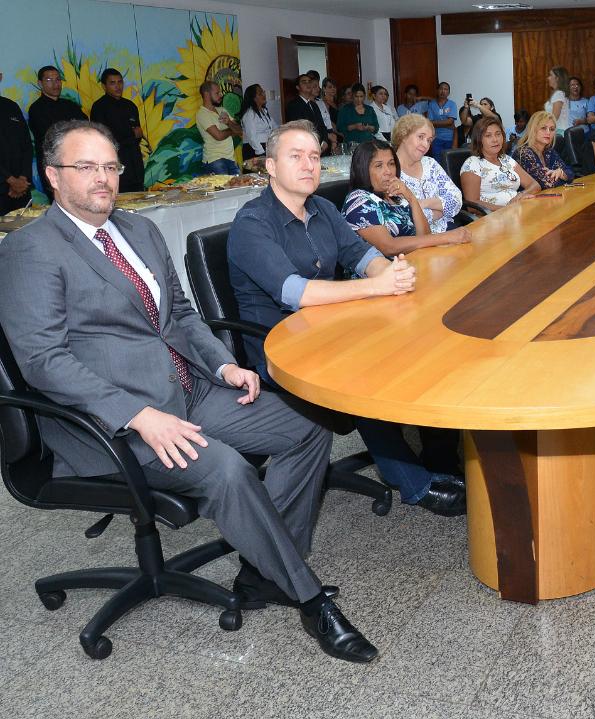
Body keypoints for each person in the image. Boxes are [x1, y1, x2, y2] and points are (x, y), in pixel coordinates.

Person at [0, 119, 379, 663]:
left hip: (188, 390)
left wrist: (224, 367)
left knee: (307, 425)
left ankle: (265, 571)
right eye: (86, 168)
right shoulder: (29, 250)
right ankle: (310, 599)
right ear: (53, 176)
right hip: (111, 424)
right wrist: (137, 414)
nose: (102, 179)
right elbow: (43, 361)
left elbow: (178, 315)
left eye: (110, 166)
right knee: (228, 469)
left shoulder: (139, 231)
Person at [228, 121, 466, 518]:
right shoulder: (252, 223)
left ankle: (436, 455)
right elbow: (296, 293)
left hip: (329, 327)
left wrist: (388, 274)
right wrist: (377, 287)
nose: (308, 165)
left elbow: (361, 255)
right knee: (362, 371)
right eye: (295, 157)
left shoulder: (321, 208)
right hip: (279, 348)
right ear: (270, 166)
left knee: (417, 347)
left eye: (314, 157)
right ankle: (414, 483)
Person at [344, 139, 470, 257]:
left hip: (416, 263)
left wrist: (411, 198)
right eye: (379, 166)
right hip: (383, 275)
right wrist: (447, 237)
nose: (388, 171)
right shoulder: (358, 200)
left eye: (391, 164)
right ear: (362, 169)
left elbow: (425, 236)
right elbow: (389, 247)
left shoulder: (395, 197)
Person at [392, 113, 462, 233]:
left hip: (446, 230)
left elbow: (456, 200)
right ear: (403, 136)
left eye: (429, 141)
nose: (426, 145)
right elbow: (403, 219)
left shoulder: (430, 164)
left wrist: (422, 203)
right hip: (413, 242)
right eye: (420, 137)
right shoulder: (390, 170)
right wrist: (439, 211)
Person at [28, 65, 86, 199]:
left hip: (78, 162)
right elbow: (51, 136)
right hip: (54, 165)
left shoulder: (69, 105)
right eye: (49, 80)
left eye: (58, 79)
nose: (56, 84)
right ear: (40, 83)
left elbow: (86, 127)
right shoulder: (36, 109)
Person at [460, 117, 541, 209]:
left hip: (517, 211)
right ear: (479, 140)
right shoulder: (472, 164)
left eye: (498, 134)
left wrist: (521, 195)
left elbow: (535, 185)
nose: (495, 139)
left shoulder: (506, 160)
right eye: (488, 135)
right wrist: (507, 209)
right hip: (492, 218)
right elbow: (472, 205)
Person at [89, 68, 144, 192]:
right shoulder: (99, 107)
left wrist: (130, 135)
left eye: (120, 82)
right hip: (115, 163)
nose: (117, 86)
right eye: (112, 83)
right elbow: (104, 139)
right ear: (104, 86)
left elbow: (138, 134)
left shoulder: (130, 105)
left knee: (140, 198)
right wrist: (130, 134)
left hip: (135, 161)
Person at [0, 71, 35, 214]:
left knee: (28, 233)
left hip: (21, 188)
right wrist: (10, 180)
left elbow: (26, 145)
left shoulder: (11, 106)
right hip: (5, 186)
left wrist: (22, 178)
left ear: (1, 77)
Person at [513, 110, 574, 189]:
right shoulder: (524, 153)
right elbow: (547, 184)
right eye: (543, 128)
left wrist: (560, 172)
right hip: (526, 199)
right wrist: (564, 177)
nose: (548, 132)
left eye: (552, 129)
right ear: (533, 130)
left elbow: (571, 172)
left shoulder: (548, 151)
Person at [196, 81, 241, 175]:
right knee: (224, 189)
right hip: (215, 160)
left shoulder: (222, 110)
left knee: (239, 188)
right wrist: (231, 129)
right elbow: (219, 136)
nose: (220, 95)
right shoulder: (202, 114)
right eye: (217, 93)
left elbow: (239, 131)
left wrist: (228, 122)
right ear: (206, 94)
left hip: (231, 159)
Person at [285, 74, 331, 153]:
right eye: (304, 82)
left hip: (320, 146)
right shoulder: (293, 105)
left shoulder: (314, 104)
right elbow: (299, 128)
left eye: (309, 82)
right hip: (305, 147)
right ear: (298, 87)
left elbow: (321, 125)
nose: (308, 84)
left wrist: (324, 141)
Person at [239, 83, 277, 160]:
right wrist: (261, 153)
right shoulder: (249, 114)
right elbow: (251, 136)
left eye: (263, 92)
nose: (264, 94)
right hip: (254, 149)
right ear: (253, 98)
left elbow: (275, 127)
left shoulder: (264, 112)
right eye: (260, 93)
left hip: (265, 147)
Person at [425, 81, 458, 160]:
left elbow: (450, 121)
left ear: (449, 92)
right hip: (436, 138)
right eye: (441, 89)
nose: (443, 91)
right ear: (437, 90)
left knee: (449, 162)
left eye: (446, 89)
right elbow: (429, 123)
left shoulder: (452, 104)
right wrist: (447, 123)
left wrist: (448, 123)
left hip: (449, 138)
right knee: (437, 161)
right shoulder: (432, 104)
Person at [545, 66, 570, 134]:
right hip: (556, 130)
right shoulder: (558, 93)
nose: (548, 78)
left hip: (559, 132)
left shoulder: (559, 94)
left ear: (557, 78)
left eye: (550, 75)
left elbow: (554, 118)